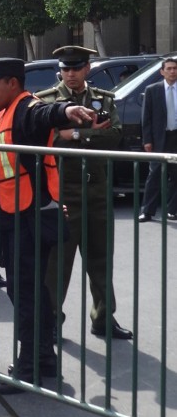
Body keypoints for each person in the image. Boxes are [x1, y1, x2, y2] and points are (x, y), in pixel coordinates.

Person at [0, 58, 94, 383]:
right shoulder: (4, 110)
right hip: (13, 215)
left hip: (29, 218)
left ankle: (30, 364)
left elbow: (45, 114)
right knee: (29, 291)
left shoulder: (26, 107)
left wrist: (65, 111)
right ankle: (44, 357)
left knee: (26, 291)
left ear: (13, 83)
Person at [36, 46, 133, 340]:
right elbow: (44, 138)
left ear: (87, 69)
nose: (71, 74)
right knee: (58, 262)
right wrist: (80, 134)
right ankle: (51, 320)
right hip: (63, 189)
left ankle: (104, 318)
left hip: (96, 187)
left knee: (101, 257)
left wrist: (74, 135)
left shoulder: (103, 100)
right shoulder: (46, 101)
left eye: (76, 68)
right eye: (66, 69)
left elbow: (114, 136)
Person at [139, 55, 177, 222]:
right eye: (168, 68)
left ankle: (173, 210)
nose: (172, 71)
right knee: (154, 174)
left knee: (176, 176)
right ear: (162, 71)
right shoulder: (152, 90)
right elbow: (145, 118)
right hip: (160, 138)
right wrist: (147, 140)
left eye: (175, 68)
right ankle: (147, 211)